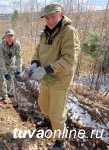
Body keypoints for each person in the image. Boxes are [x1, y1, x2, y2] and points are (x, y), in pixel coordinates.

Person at [26, 3, 80, 150]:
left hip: (60, 81)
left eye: (53, 17)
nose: (50, 20)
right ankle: (48, 121)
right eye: (47, 18)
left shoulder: (68, 32)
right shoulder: (45, 33)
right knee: (43, 103)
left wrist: (46, 69)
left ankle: (60, 142)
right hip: (46, 78)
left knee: (57, 114)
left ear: (61, 15)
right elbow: (38, 50)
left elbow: (70, 59)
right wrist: (34, 63)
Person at [0, 29, 23, 103]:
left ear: (14, 37)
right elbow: (0, 60)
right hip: (2, 63)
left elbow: (19, 57)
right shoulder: (0, 45)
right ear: (5, 37)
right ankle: (3, 95)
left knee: (10, 79)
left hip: (11, 62)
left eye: (11, 36)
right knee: (3, 78)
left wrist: (18, 70)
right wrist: (5, 73)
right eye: (8, 36)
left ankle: (8, 92)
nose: (10, 38)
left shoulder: (17, 44)